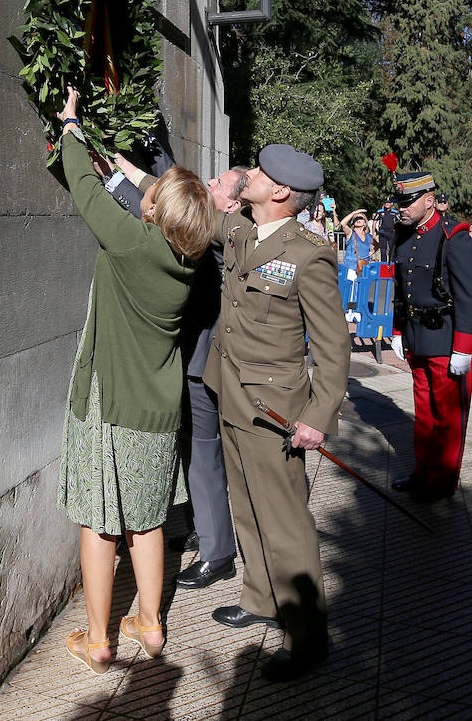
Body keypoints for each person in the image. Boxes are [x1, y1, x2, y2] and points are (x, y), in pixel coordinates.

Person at [53, 87, 216, 674]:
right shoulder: (187, 260)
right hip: (157, 407)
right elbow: (155, 205)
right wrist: (122, 168)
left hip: (110, 404)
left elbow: (82, 190)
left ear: (155, 213)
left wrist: (72, 126)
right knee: (147, 519)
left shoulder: (128, 243)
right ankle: (150, 624)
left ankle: (98, 638)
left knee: (100, 523)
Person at [201, 144, 349, 681]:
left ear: (280, 192)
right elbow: (191, 209)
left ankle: (308, 638)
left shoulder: (309, 254)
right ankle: (261, 599)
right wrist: (125, 173)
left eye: (260, 173)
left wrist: (318, 413)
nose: (250, 175)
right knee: (246, 507)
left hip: (275, 410)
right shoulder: (240, 229)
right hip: (233, 395)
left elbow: (334, 345)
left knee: (285, 523)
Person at [172, 165, 250, 591]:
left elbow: (170, 193)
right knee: (196, 452)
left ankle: (218, 552)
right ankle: (207, 526)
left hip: (207, 364)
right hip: (199, 358)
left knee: (205, 455)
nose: (208, 184)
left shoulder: (227, 235)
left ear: (233, 204)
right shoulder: (232, 227)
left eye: (218, 183)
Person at [386, 171, 472, 501]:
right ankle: (422, 472)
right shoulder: (404, 234)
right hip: (417, 337)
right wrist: (398, 330)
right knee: (425, 414)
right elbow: (401, 287)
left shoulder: (453, 235)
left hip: (446, 338)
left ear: (429, 200)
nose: (401, 208)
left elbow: (470, 294)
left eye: (407, 202)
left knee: (448, 417)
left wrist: (464, 348)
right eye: (399, 201)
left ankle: (441, 482)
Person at [342, 209, 372, 276]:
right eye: (356, 218)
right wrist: (354, 213)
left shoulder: (368, 236)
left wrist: (371, 252)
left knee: (363, 286)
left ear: (365, 222)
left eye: (361, 218)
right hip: (351, 267)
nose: (358, 219)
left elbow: (378, 245)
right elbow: (343, 224)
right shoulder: (350, 233)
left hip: (365, 267)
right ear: (353, 222)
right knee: (352, 286)